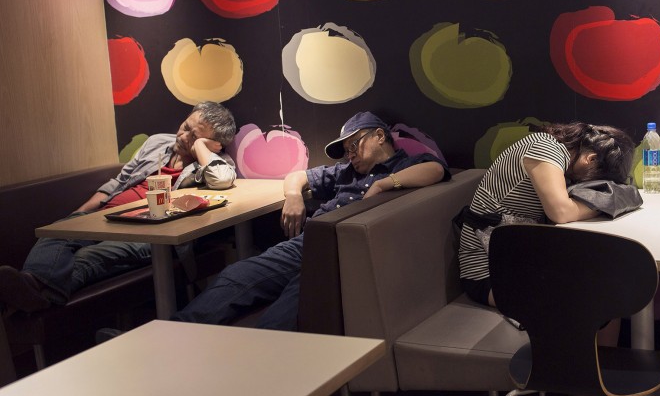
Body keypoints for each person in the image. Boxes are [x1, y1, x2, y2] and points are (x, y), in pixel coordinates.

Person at [171, 111, 450, 331]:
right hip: (307, 242)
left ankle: (258, 373)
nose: (350, 155)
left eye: (354, 146)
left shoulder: (406, 165)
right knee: (237, 276)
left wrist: (385, 184)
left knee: (291, 306)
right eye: (346, 151)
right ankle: (174, 335)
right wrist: (293, 196)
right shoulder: (345, 172)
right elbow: (298, 177)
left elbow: (436, 169)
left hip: (346, 252)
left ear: (379, 136)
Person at [458, 121, 637, 396]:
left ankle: (598, 386)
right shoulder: (544, 148)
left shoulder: (561, 155)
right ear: (591, 160)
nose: (589, 184)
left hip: (524, 261)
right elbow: (560, 211)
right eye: (597, 179)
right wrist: (609, 202)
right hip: (488, 271)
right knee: (579, 307)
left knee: (609, 295)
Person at [0, 101, 237, 312]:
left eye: (195, 137)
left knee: (90, 256)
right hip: (109, 216)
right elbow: (120, 182)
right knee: (56, 233)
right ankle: (33, 287)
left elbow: (223, 179)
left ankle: (29, 290)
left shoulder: (213, 163)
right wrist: (80, 213)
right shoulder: (156, 142)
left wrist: (202, 150)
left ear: (214, 144)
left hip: (149, 232)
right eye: (186, 127)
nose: (184, 137)